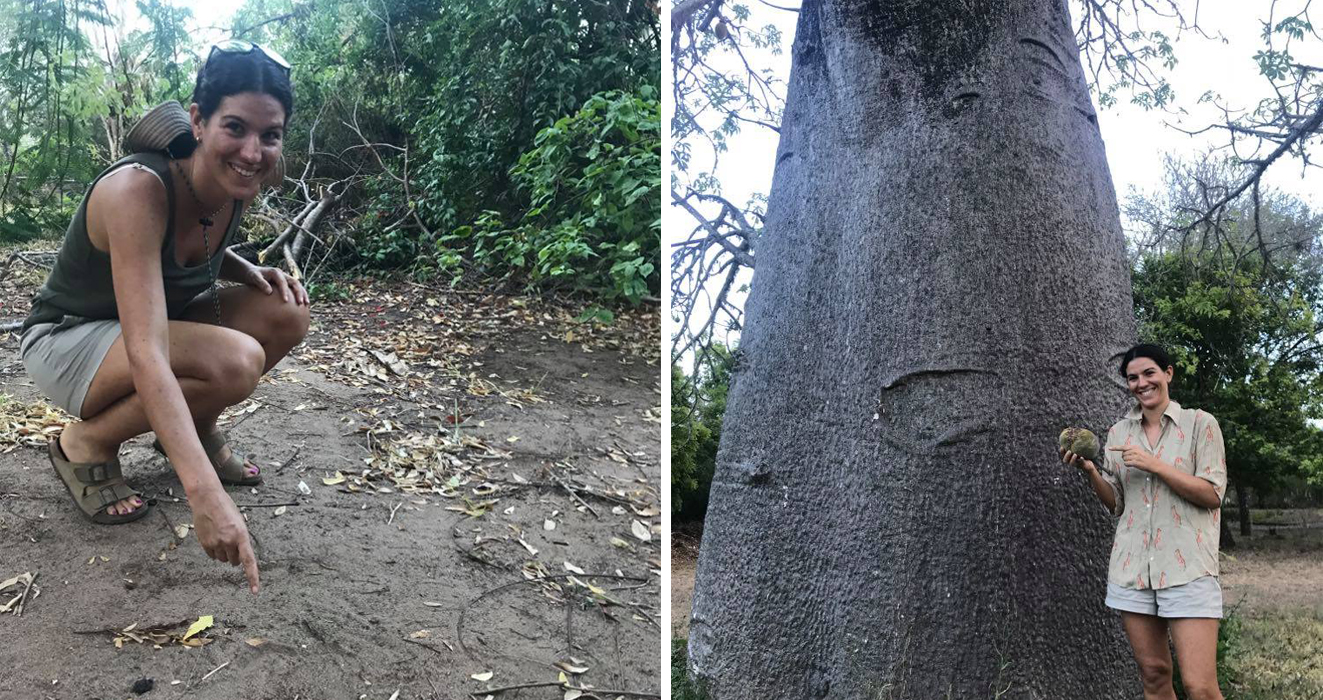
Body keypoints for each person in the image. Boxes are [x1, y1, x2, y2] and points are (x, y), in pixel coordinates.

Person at [19, 41, 310, 594]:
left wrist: (250, 271)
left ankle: (191, 423)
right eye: (236, 128)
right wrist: (203, 492)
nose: (253, 152)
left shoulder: (232, 182)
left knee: (286, 312)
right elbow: (146, 349)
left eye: (269, 135)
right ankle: (85, 445)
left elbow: (194, 238)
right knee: (235, 362)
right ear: (198, 121)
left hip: (142, 333)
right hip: (66, 341)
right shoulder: (136, 190)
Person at [1062, 343, 1227, 700]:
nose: (1141, 383)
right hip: (1132, 570)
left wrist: (1154, 464)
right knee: (1153, 674)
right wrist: (1091, 471)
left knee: (1200, 687)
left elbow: (1212, 494)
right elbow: (1118, 503)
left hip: (1188, 569)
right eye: (1132, 378)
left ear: (1167, 374)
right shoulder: (1119, 434)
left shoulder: (1201, 425)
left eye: (1149, 373)